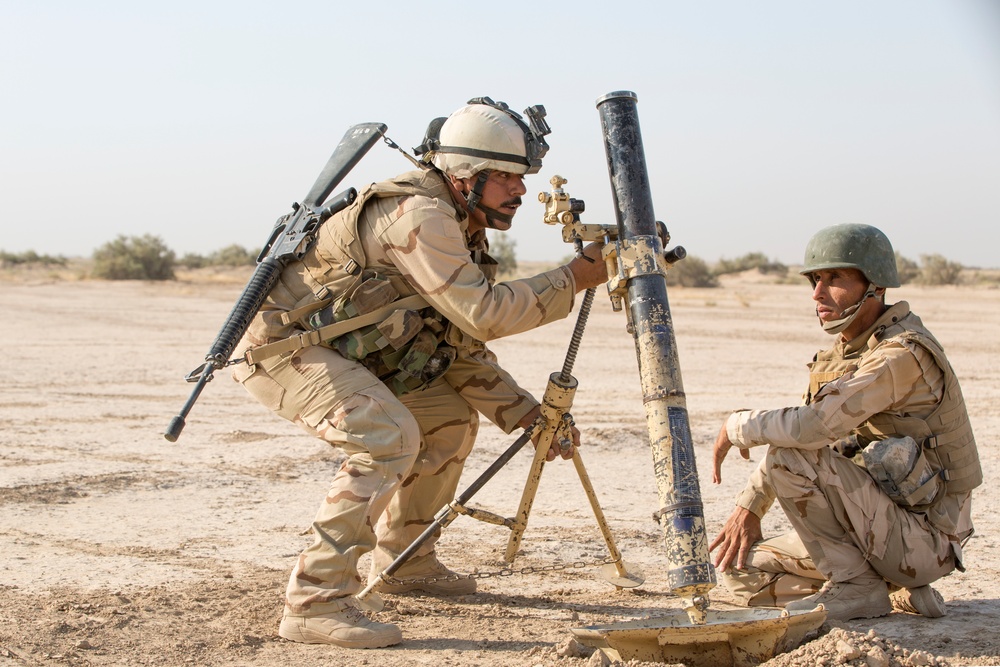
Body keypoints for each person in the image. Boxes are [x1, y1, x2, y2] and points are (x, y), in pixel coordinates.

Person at [231, 97, 608, 648]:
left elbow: (456, 339)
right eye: (506, 177)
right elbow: (485, 313)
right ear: (465, 177)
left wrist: (524, 412)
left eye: (521, 177)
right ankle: (315, 601)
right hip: (282, 349)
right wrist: (572, 278)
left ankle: (407, 559)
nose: (522, 191)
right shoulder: (420, 215)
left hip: (343, 349)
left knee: (447, 420)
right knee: (385, 435)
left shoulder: (459, 222)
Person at [709, 223, 980, 622]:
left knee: (786, 454)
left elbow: (809, 429)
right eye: (816, 279)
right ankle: (889, 590)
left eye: (834, 278)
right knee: (736, 569)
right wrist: (748, 509)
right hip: (875, 529)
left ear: (876, 286)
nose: (818, 293)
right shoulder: (849, 352)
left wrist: (736, 426)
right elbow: (806, 433)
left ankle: (860, 587)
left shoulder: (901, 355)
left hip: (925, 540)